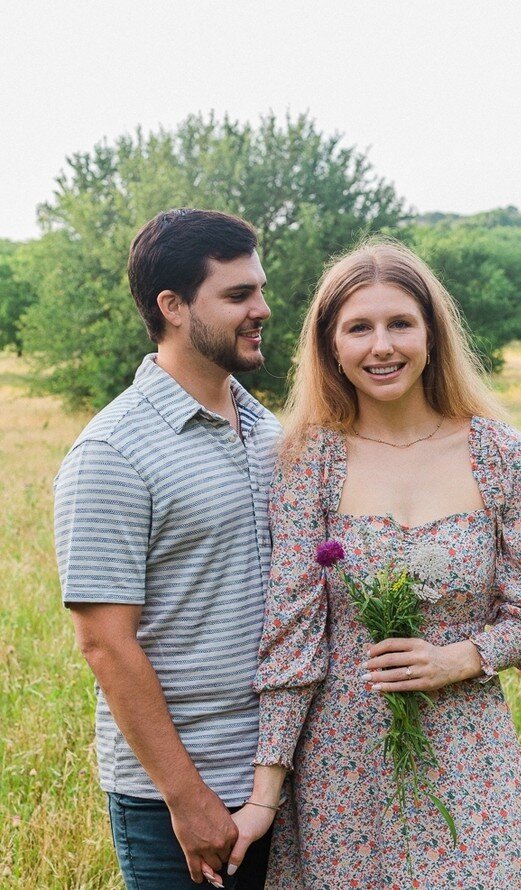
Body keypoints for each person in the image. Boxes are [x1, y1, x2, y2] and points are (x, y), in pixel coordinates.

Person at [232, 240, 521, 887]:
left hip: (469, 756)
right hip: (342, 763)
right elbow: (291, 638)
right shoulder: (311, 460)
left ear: (431, 334)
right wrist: (264, 793)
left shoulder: (497, 451)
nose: (380, 346)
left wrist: (461, 658)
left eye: (399, 324)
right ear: (330, 344)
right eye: (358, 327)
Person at [54, 209, 283, 889]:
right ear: (173, 306)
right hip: (176, 801)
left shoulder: (265, 428)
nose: (262, 309)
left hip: (278, 780)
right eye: (238, 295)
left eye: (259, 290)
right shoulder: (112, 451)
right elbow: (105, 643)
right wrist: (188, 800)